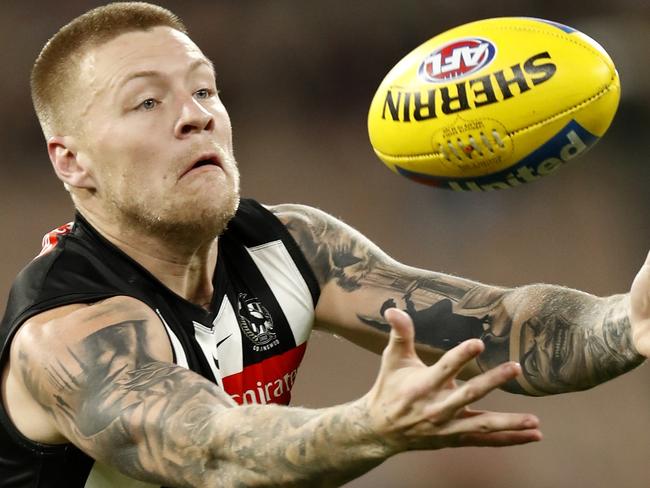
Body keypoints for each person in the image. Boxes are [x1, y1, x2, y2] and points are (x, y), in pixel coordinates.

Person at [0, 3, 647, 487]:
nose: (196, 113)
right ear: (71, 162)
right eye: (145, 102)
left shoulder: (291, 246)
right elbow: (216, 452)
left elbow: (501, 327)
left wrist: (627, 322)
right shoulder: (67, 332)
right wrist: (370, 427)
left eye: (204, 88)